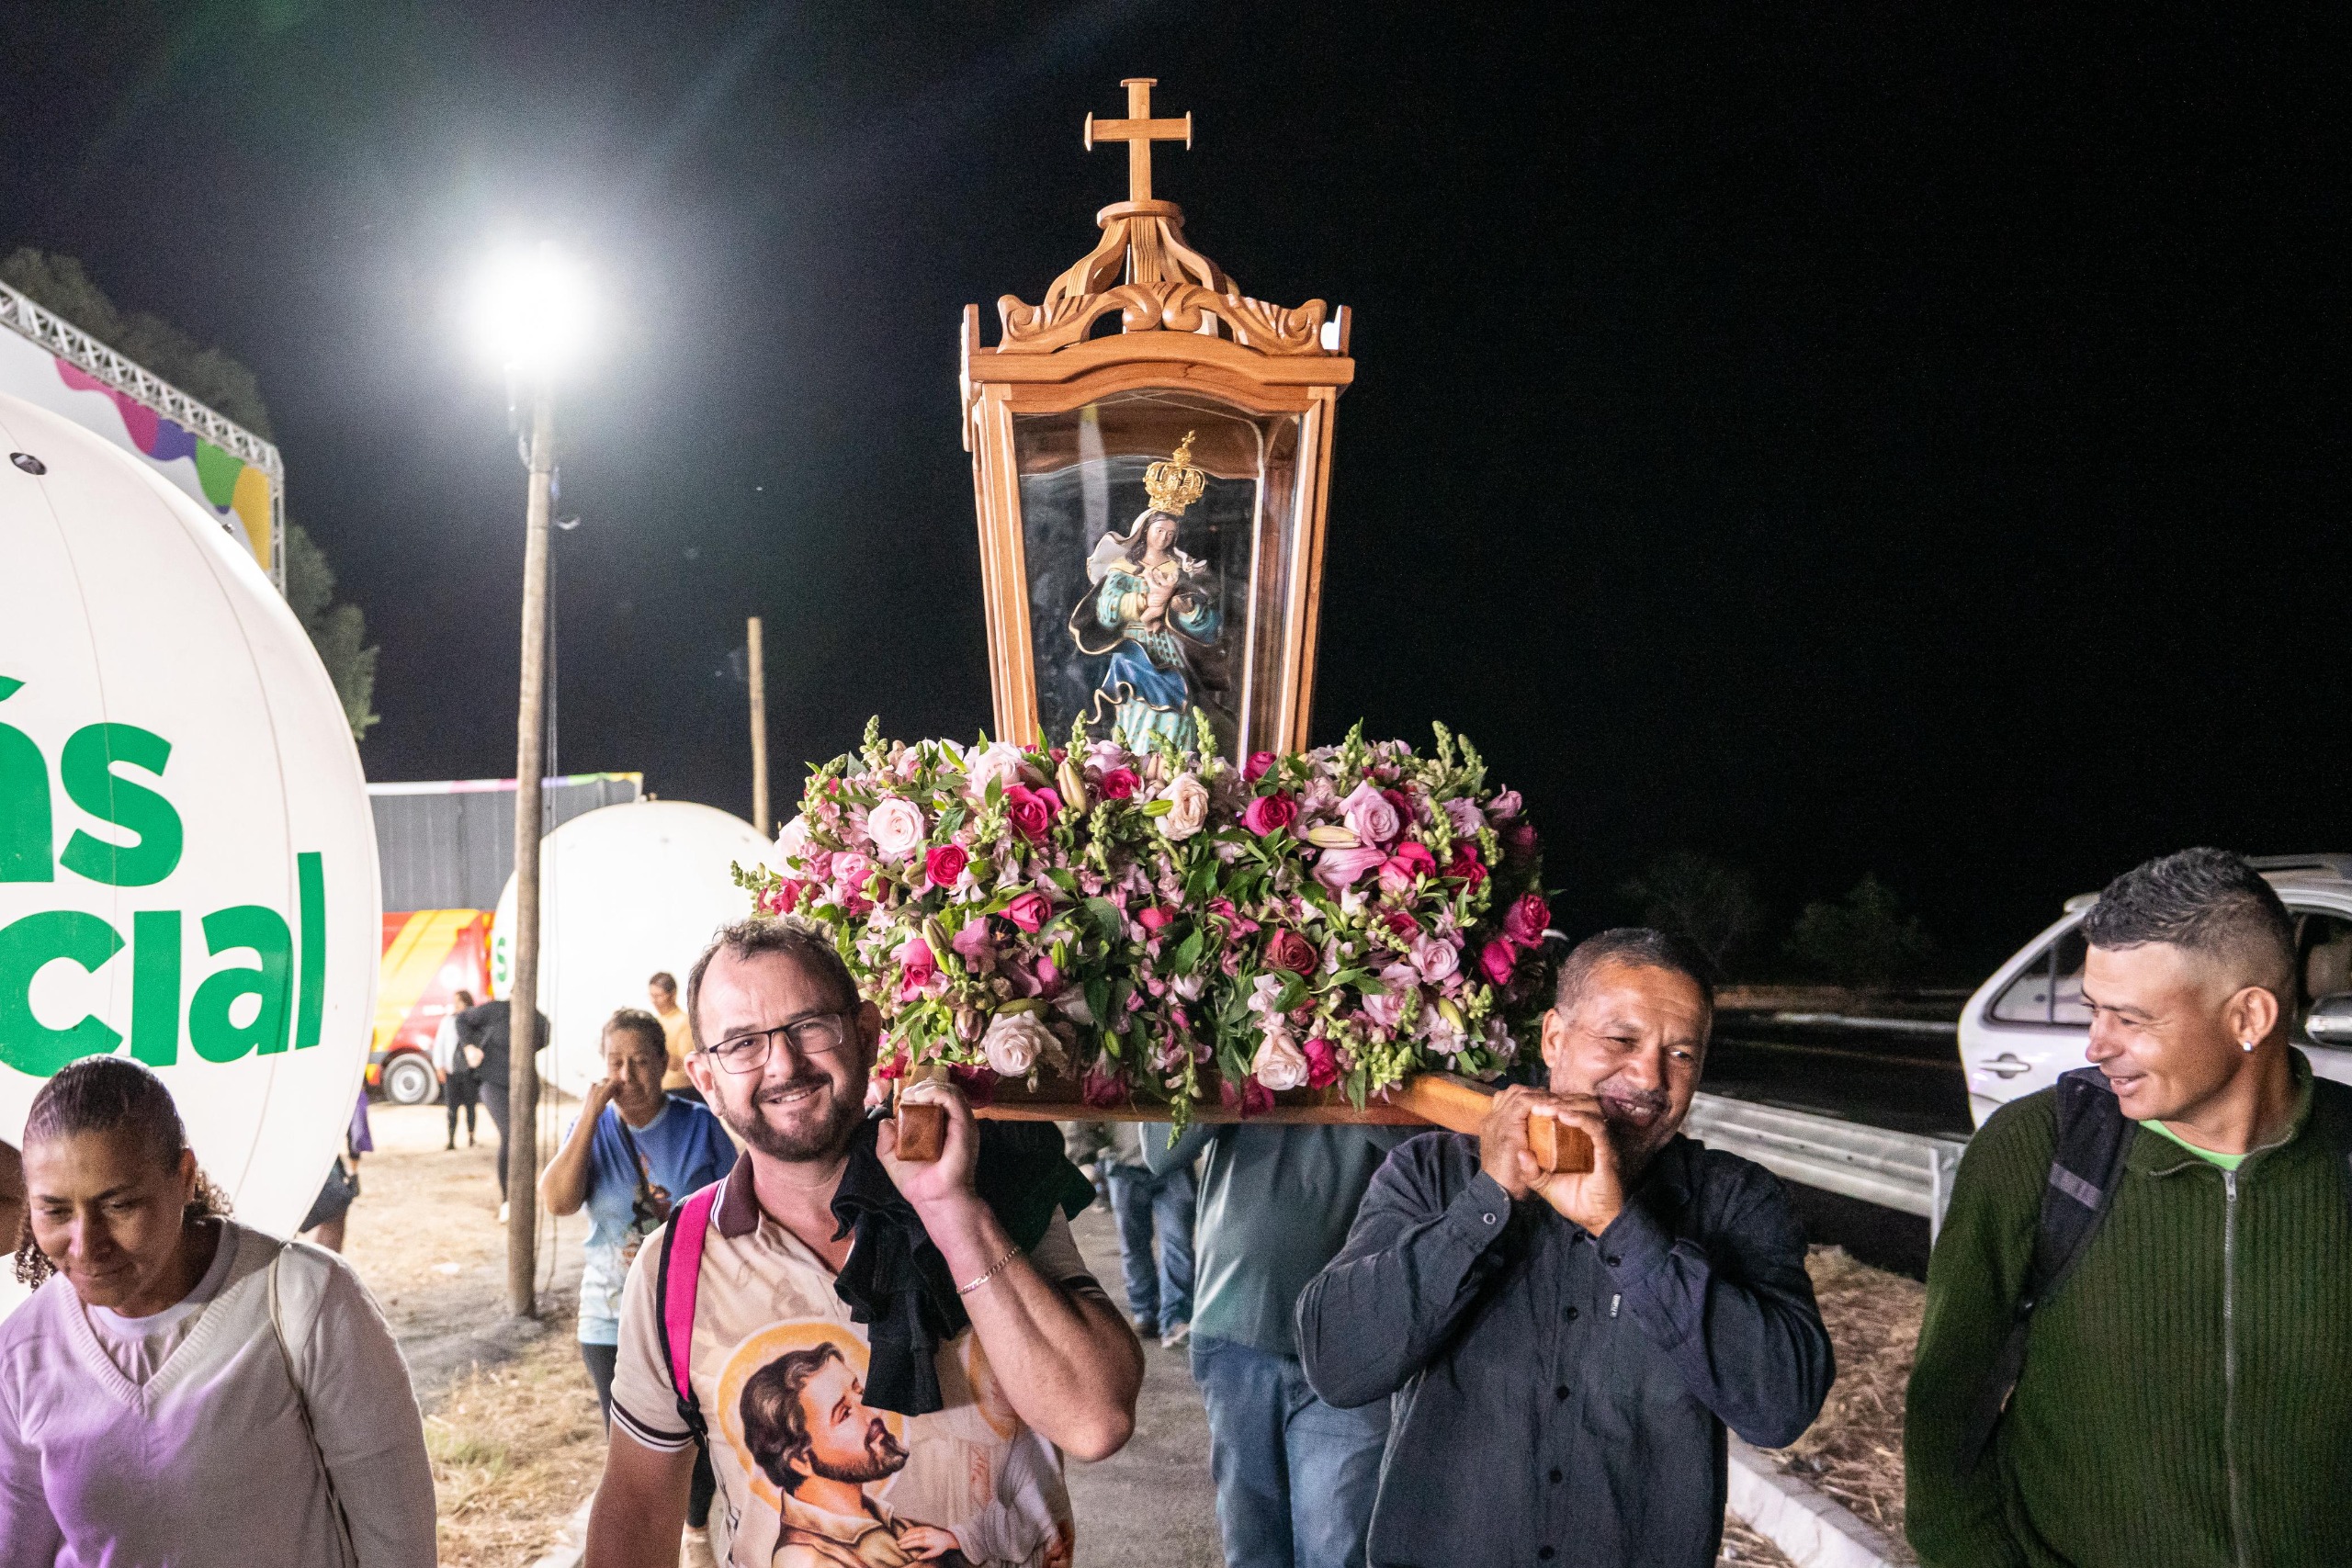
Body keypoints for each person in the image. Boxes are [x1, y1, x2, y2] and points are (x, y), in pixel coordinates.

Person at [582, 916, 1142, 1568]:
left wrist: (951, 1210)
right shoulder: (675, 1266)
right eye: (742, 1044)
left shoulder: (990, 1186)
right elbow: (639, 1506)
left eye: (810, 1025)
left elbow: (1095, 1420)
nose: (784, 1064)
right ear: (706, 1079)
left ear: (869, 1034)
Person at [1296, 928, 1834, 1568]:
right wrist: (1487, 1202)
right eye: (1621, 1039)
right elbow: (1337, 1363)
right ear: (1553, 1037)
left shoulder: (1739, 1201)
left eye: (1682, 1053)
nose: (1650, 1076)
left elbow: (1781, 1408)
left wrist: (1622, 1227)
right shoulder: (1434, 1174)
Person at [1905, 849, 2352, 1566]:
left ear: (2249, 1016)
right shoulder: (2035, 1152)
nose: (2096, 1043)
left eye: (2131, 1017)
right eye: (2093, 1008)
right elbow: (1943, 1409)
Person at [0, 1055, 435, 1567]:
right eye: (55, 1211)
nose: (86, 1244)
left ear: (184, 1177)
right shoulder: (24, 1351)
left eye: (119, 1205)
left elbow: (398, 1541)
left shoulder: (303, 1301)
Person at [1139, 1115, 1409, 1568]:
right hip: (1235, 1314)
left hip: (1358, 1332)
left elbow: (1439, 1141)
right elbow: (1160, 1150)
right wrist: (1242, 1068)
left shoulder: (1398, 1045)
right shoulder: (1223, 1045)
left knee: (1336, 1549)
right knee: (1252, 1548)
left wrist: (1343, 1069)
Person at [540, 1007, 736, 1561]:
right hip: (608, 1318)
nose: (625, 1075)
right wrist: (588, 1115)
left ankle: (697, 1530)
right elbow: (556, 1200)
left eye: (639, 1062)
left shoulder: (698, 1127)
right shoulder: (595, 1130)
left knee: (697, 1440)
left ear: (664, 1063)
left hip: (690, 1315)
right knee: (634, 1454)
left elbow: (737, 1206)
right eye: (614, 1062)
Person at [1098, 1122, 1194, 1348]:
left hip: (1175, 1163)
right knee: (1133, 1244)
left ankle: (1176, 1318)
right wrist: (1083, 1152)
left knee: (1178, 1243)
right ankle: (1144, 1310)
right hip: (1124, 1164)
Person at [456, 993, 548, 1216]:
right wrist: (469, 1047)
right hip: (493, 1082)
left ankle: (524, 1193)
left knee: (525, 1138)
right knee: (510, 1134)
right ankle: (508, 1199)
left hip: (525, 1083)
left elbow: (544, 1039)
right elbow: (461, 1019)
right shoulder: (496, 1010)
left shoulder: (539, 1019)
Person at [300, 1089, 375, 1254]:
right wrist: (354, 1172)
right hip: (315, 1160)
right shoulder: (339, 1083)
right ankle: (324, 1271)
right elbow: (357, 1130)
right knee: (335, 1205)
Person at [435, 987, 481, 1149]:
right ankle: (451, 1139)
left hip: (469, 1071)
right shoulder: (448, 1021)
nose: (455, 1005)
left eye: (458, 1002)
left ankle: (471, 1136)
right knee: (452, 1108)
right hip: (452, 1070)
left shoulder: (473, 1021)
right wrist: (439, 1066)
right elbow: (439, 1044)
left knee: (470, 1106)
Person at [649, 971, 701, 1104]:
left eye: (658, 996)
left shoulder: (684, 1022)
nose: (654, 1001)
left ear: (672, 995)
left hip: (683, 1092)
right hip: (660, 1092)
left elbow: (685, 1066)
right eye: (651, 996)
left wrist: (654, 1048)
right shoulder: (654, 1022)